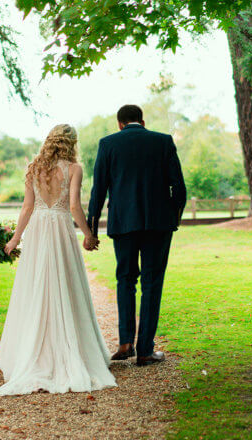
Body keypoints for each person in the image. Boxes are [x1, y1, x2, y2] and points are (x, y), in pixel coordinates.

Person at [0, 124, 117, 395]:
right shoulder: (74, 169)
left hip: (38, 229)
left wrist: (15, 239)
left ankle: (32, 352)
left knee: (36, 286)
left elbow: (27, 207)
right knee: (65, 283)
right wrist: (88, 235)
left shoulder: (34, 167)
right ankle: (66, 348)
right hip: (60, 229)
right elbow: (74, 206)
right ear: (72, 143)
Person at [86, 105, 186, 366]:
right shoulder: (163, 141)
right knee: (152, 284)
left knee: (125, 280)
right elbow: (179, 187)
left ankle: (125, 342)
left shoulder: (108, 144)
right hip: (159, 225)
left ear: (120, 123)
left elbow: (99, 189)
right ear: (142, 121)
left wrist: (92, 228)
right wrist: (172, 218)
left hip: (123, 223)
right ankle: (145, 350)